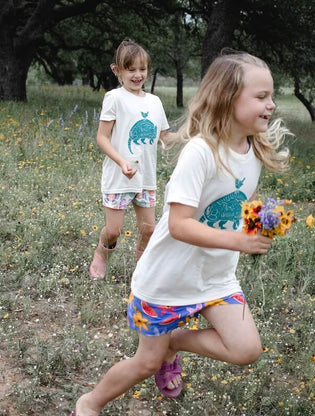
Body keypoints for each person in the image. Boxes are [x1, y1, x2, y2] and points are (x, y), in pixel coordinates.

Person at [71, 50, 291, 415]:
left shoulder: (253, 148)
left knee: (246, 349)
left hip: (215, 279)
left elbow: (244, 200)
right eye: (261, 96)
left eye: (271, 96)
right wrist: (239, 240)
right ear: (227, 97)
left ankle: (174, 342)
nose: (271, 105)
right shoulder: (201, 152)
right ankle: (89, 402)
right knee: (145, 363)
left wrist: (259, 223)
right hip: (166, 280)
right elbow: (178, 224)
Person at [89, 39, 174, 279]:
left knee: (149, 229)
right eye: (131, 69)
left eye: (142, 69)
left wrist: (191, 134)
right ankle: (101, 254)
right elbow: (102, 138)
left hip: (146, 178)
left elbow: (164, 137)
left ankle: (141, 266)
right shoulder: (114, 98)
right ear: (117, 70)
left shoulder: (155, 102)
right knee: (114, 231)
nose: (138, 75)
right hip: (119, 176)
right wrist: (121, 161)